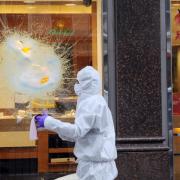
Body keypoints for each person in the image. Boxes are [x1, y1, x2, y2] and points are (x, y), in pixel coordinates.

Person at [34, 66, 118, 180]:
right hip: (94, 165)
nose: (76, 85)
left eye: (79, 81)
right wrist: (51, 125)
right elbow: (82, 134)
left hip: (96, 169)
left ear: (87, 83)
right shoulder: (93, 100)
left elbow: (77, 131)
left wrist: (49, 122)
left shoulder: (92, 103)